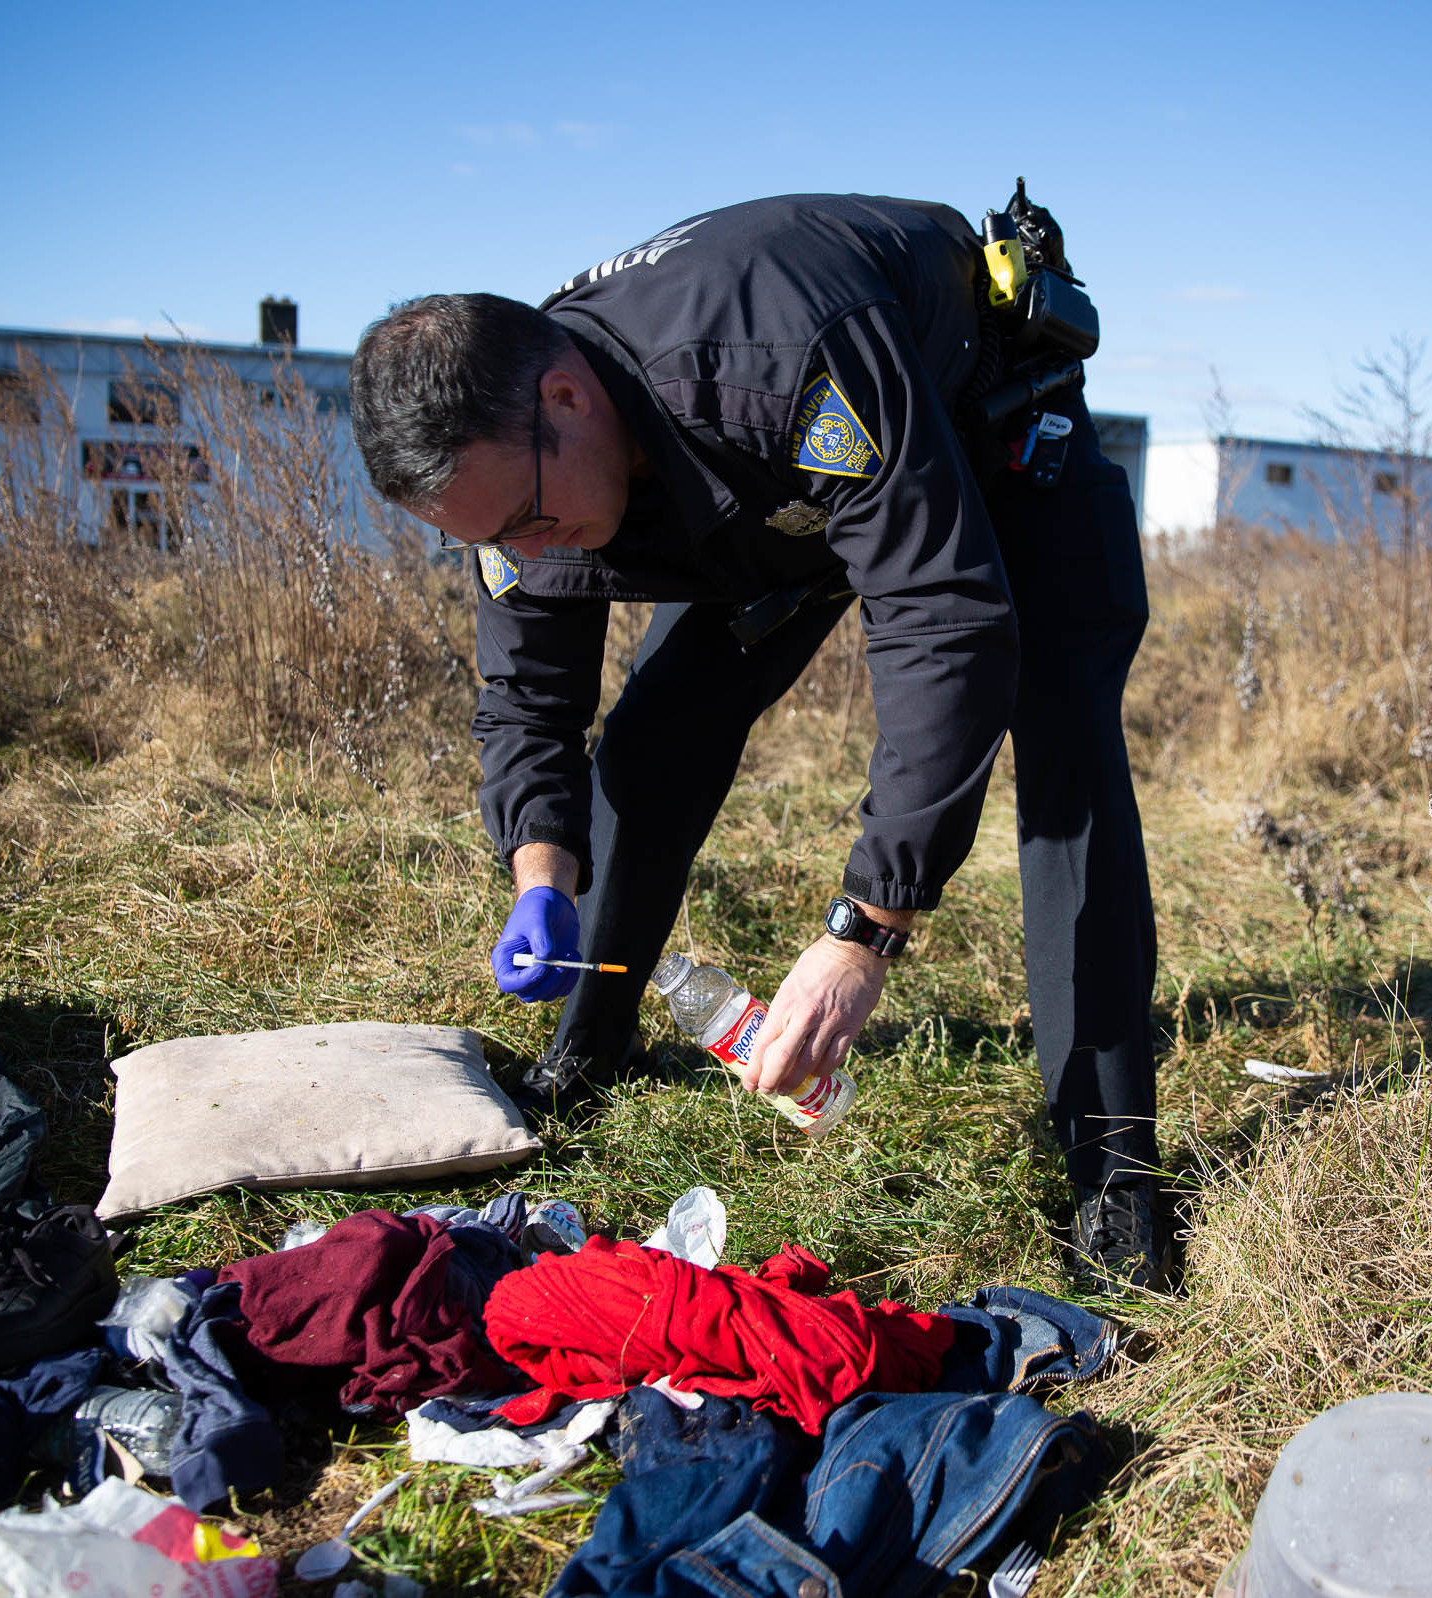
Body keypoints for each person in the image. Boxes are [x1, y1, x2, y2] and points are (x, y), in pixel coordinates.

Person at [349, 192, 1166, 1290]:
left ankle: (1112, 1170)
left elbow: (945, 624)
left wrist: (861, 937)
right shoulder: (514, 463)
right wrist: (538, 871)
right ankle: (585, 1045)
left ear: (565, 396)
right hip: (775, 491)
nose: (522, 550)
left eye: (529, 520)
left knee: (1065, 763)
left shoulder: (773, 357)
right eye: (492, 538)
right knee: (651, 744)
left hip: (976, 415)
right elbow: (528, 697)